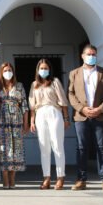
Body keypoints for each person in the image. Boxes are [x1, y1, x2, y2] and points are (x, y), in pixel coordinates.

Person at [68, 44, 103, 191]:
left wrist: (100, 109)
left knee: (102, 147)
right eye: (89, 54)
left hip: (100, 116)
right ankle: (81, 180)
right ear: (82, 56)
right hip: (81, 116)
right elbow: (71, 94)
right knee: (81, 148)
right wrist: (82, 109)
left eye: (94, 54)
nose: (91, 56)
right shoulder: (74, 73)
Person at [29, 58, 70, 190]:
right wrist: (32, 120)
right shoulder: (34, 84)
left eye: (46, 68)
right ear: (37, 70)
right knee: (44, 148)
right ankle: (46, 177)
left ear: (50, 69)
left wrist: (66, 118)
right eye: (41, 68)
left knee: (57, 145)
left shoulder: (55, 82)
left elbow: (63, 101)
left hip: (54, 112)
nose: (44, 70)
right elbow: (32, 105)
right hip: (40, 114)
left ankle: (60, 177)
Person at [0, 62, 29, 189]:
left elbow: (24, 106)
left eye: (10, 69)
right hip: (2, 123)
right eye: (5, 70)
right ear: (1, 72)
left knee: (16, 151)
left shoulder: (19, 86)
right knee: (3, 151)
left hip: (17, 122)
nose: (8, 72)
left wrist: (26, 123)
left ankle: (12, 179)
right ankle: (5, 178)